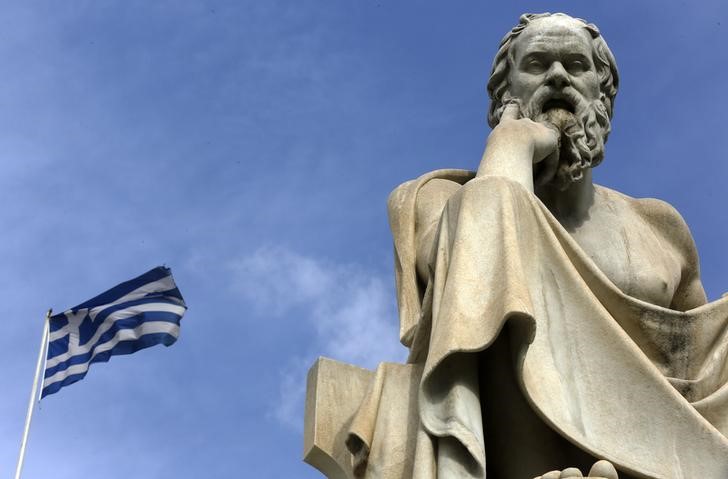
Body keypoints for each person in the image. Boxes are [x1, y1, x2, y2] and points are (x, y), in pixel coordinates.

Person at [305, 13, 728, 479]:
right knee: (490, 201)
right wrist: (513, 145)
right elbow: (468, 286)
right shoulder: (437, 199)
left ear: (602, 95)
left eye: (575, 65)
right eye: (538, 63)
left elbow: (699, 371)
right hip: (518, 457)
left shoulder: (658, 227)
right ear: (507, 96)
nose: (559, 76)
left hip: (661, 453)